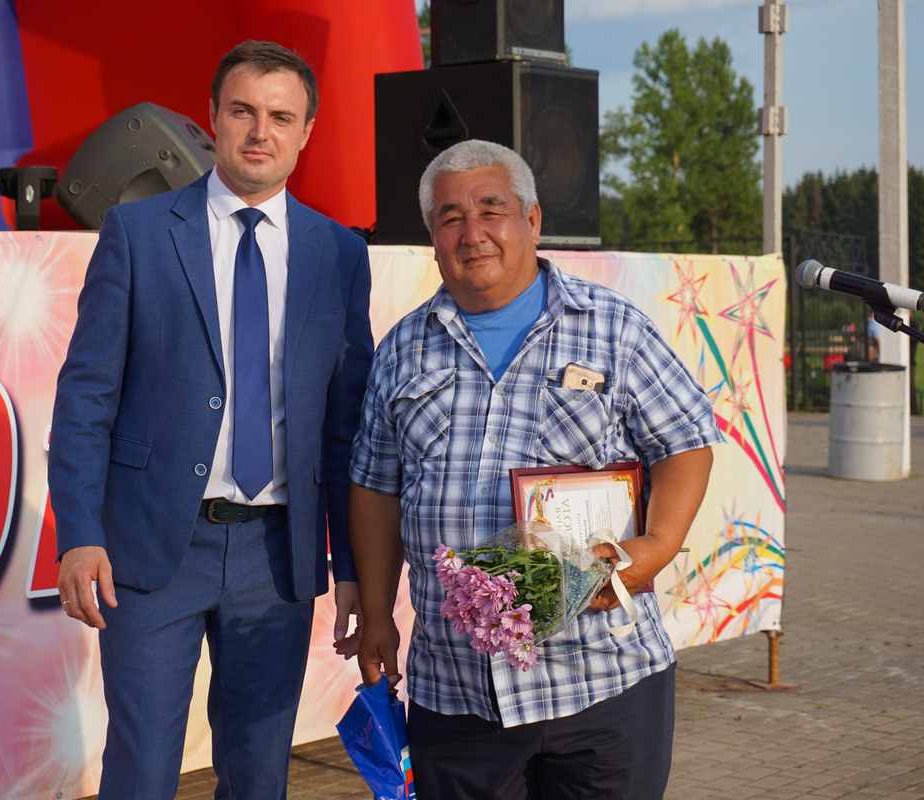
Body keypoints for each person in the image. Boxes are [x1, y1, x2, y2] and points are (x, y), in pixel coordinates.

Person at [48, 40, 373, 799]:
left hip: (278, 555)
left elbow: (345, 427)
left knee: (259, 775)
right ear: (213, 118)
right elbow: (86, 396)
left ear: (307, 132)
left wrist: (352, 567)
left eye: (281, 117)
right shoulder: (137, 233)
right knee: (142, 771)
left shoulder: (337, 254)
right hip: (151, 546)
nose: (261, 132)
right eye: (243, 112)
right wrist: (80, 533)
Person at [349, 139, 721, 799]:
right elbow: (376, 488)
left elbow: (686, 444)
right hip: (456, 693)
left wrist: (657, 547)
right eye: (451, 217)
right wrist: (376, 611)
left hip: (602, 680)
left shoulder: (612, 328)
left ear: (532, 220)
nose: (473, 233)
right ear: (433, 237)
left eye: (491, 210)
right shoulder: (404, 348)